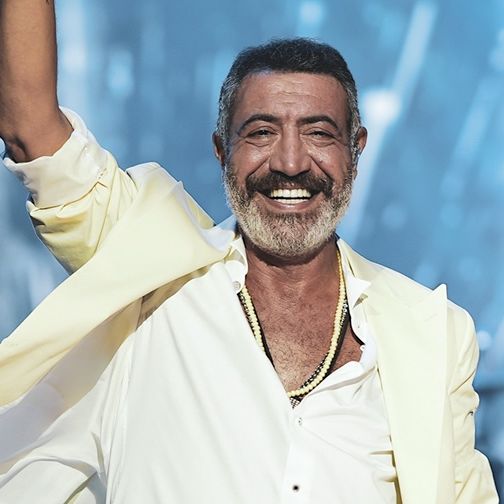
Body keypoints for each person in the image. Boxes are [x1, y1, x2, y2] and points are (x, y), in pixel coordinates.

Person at [0, 1, 498, 503]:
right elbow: (30, 126)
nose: (290, 162)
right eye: (261, 132)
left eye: (318, 133)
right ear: (222, 150)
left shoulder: (433, 334)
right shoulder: (152, 275)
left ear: (356, 149)